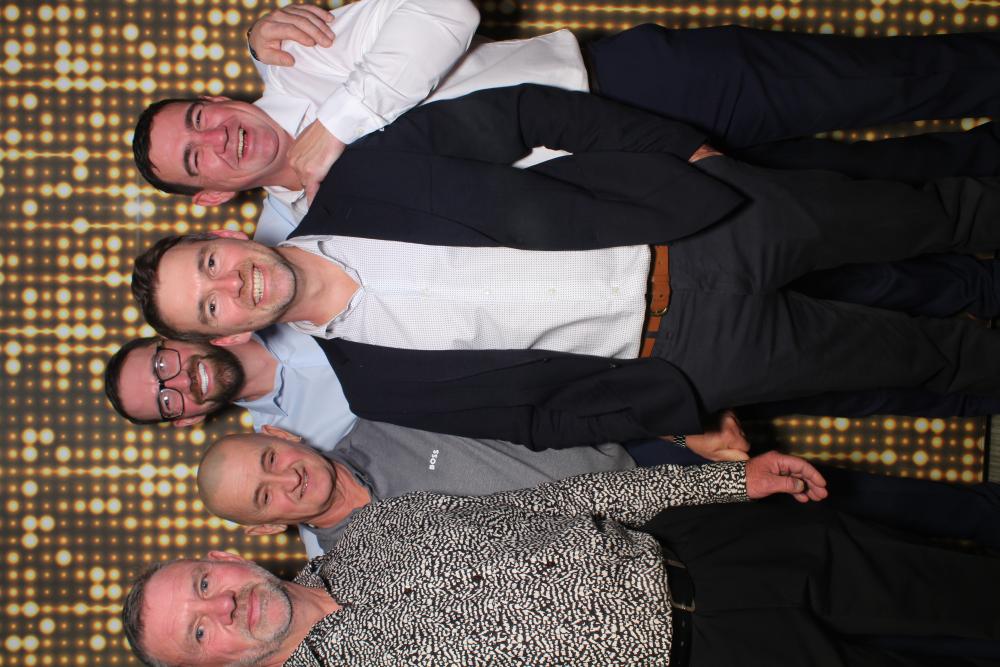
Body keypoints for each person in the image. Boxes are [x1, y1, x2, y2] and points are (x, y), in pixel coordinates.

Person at [130, 84, 1000, 448]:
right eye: (209, 306)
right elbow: (540, 420)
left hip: (702, 222)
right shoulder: (376, 390)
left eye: (208, 262)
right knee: (927, 359)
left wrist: (687, 154)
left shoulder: (363, 175)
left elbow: (528, 113)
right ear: (228, 331)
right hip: (697, 354)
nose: (229, 284)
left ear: (228, 236)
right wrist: (675, 416)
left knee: (938, 213)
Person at [124, 455, 1000, 666]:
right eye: (197, 632)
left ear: (223, 556)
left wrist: (733, 479)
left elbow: (565, 500)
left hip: (718, 555)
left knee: (968, 594)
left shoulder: (378, 528)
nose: (222, 607)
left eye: (203, 586)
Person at [199, 424, 1000, 556]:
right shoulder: (358, 577)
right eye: (263, 497)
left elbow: (543, 396)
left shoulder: (388, 411)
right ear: (266, 530)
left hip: (657, 473)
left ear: (283, 436)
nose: (285, 478)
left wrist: (676, 432)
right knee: (860, 579)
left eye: (268, 459)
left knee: (846, 499)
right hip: (661, 580)